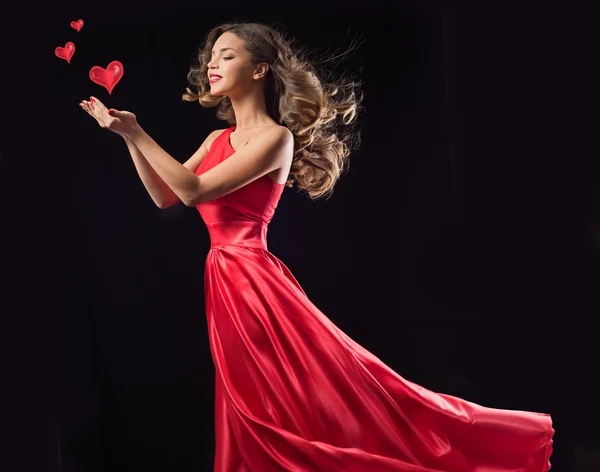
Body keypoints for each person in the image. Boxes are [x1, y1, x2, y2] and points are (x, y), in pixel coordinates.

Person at [80, 21, 554, 472]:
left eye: (227, 55)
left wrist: (140, 132)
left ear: (260, 69)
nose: (212, 64)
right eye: (211, 56)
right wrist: (127, 139)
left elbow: (193, 191)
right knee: (252, 403)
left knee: (289, 400)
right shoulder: (216, 137)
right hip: (225, 280)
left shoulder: (275, 139)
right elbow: (166, 196)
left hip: (253, 283)